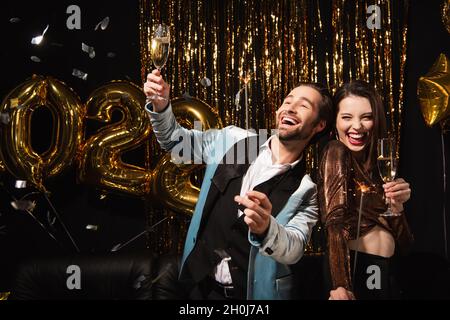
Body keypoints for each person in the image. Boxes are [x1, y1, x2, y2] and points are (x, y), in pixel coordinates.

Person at [143, 69, 333, 300]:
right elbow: (174, 141)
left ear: (319, 125)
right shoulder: (232, 140)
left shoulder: (306, 190)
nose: (290, 108)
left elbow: (294, 249)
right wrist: (162, 107)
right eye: (287, 101)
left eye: (303, 105)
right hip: (199, 288)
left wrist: (266, 229)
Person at [318, 80, 413, 300]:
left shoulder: (380, 166)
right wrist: (341, 285)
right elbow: (335, 221)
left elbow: (406, 245)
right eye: (347, 117)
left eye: (367, 117)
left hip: (386, 270)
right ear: (335, 122)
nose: (357, 126)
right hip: (357, 268)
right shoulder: (336, 151)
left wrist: (397, 209)